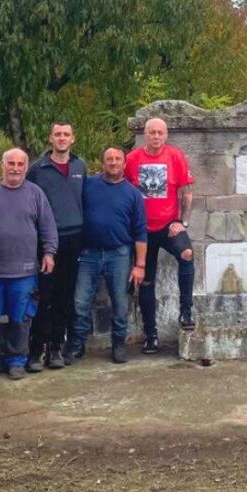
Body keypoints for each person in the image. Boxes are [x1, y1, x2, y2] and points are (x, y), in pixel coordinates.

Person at [0, 148, 58, 384]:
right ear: (2, 165)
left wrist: (49, 253)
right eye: (11, 163)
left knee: (20, 318)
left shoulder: (35, 194)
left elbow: (48, 227)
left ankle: (17, 361)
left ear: (26, 167)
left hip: (24, 272)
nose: (15, 168)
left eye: (20, 164)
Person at [69, 147, 147, 364]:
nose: (113, 163)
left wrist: (139, 265)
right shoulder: (88, 185)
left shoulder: (133, 194)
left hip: (119, 255)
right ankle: (78, 344)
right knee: (80, 302)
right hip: (89, 254)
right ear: (103, 162)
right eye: (109, 159)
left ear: (124, 163)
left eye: (117, 159)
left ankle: (119, 345)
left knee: (120, 304)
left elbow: (140, 231)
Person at [125, 118, 196, 354]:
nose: (156, 136)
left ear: (166, 135)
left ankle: (186, 311)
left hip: (168, 226)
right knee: (146, 279)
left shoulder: (175, 156)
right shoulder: (132, 159)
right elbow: (123, 192)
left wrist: (182, 222)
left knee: (186, 253)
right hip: (142, 229)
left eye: (160, 133)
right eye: (152, 132)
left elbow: (187, 192)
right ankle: (150, 334)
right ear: (145, 134)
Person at [25, 122, 87, 371]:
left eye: (66, 134)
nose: (62, 138)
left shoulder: (80, 166)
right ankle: (36, 349)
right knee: (44, 296)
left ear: (73, 139)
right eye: (57, 134)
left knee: (64, 297)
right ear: (50, 138)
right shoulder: (37, 169)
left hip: (74, 240)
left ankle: (55, 348)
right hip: (46, 241)